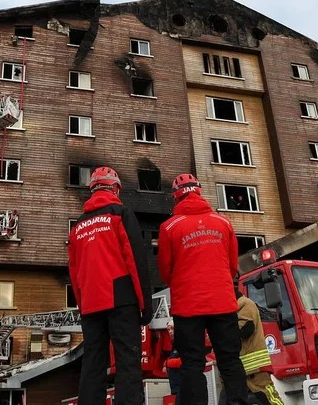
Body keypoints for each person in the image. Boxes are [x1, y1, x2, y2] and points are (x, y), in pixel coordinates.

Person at [158, 173, 248, 405]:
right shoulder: (223, 222)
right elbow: (232, 266)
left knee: (192, 364)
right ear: (199, 191)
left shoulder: (168, 227)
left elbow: (165, 271)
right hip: (223, 303)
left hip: (188, 307)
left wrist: (182, 283)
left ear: (176, 197)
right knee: (230, 360)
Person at [68, 166, 153, 405]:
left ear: (93, 189)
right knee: (127, 361)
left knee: (93, 363)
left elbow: (74, 272)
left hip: (91, 304)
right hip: (121, 298)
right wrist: (145, 304)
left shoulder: (78, 226)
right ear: (115, 188)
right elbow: (135, 260)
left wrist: (82, 305)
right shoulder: (120, 213)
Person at [235, 285, 282, 405]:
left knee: (269, 398)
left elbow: (246, 329)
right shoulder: (237, 306)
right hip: (241, 369)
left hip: (255, 367)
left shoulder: (245, 303)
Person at [164, 320, 183, 401]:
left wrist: (167, 363)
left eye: (172, 328)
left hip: (183, 387)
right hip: (175, 388)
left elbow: (184, 361)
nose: (170, 332)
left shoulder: (183, 343)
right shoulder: (174, 345)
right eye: (168, 329)